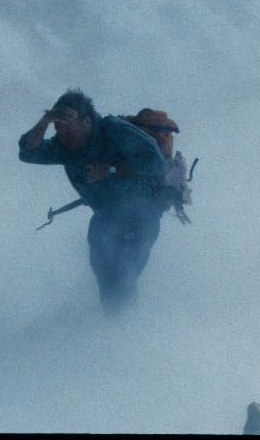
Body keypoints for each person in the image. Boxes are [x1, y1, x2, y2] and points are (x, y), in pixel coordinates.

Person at [18, 90, 169, 312]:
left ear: (87, 122)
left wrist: (111, 169)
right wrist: (45, 121)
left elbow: (156, 163)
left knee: (125, 277)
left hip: (142, 216)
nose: (63, 135)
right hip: (105, 219)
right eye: (58, 129)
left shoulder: (113, 129)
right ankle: (115, 324)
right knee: (105, 282)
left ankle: (129, 323)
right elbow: (27, 153)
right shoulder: (63, 147)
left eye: (68, 128)